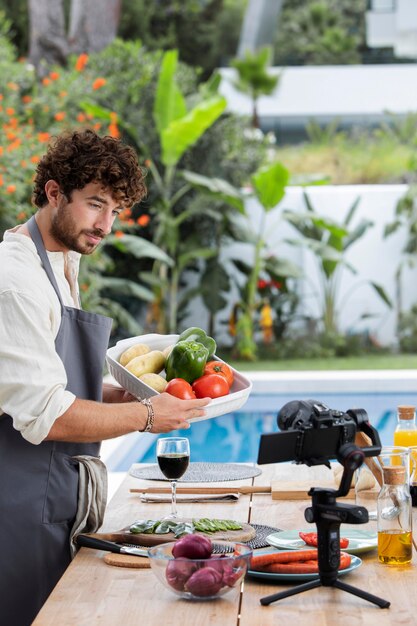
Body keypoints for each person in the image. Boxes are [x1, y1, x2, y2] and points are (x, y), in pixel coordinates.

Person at [0, 128, 209, 626]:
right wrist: (146, 415)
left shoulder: (60, 260)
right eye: (96, 205)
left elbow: (49, 381)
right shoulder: (18, 282)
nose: (106, 225)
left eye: (115, 210)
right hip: (18, 511)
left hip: (53, 500)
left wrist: (118, 396)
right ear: (54, 193)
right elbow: (47, 416)